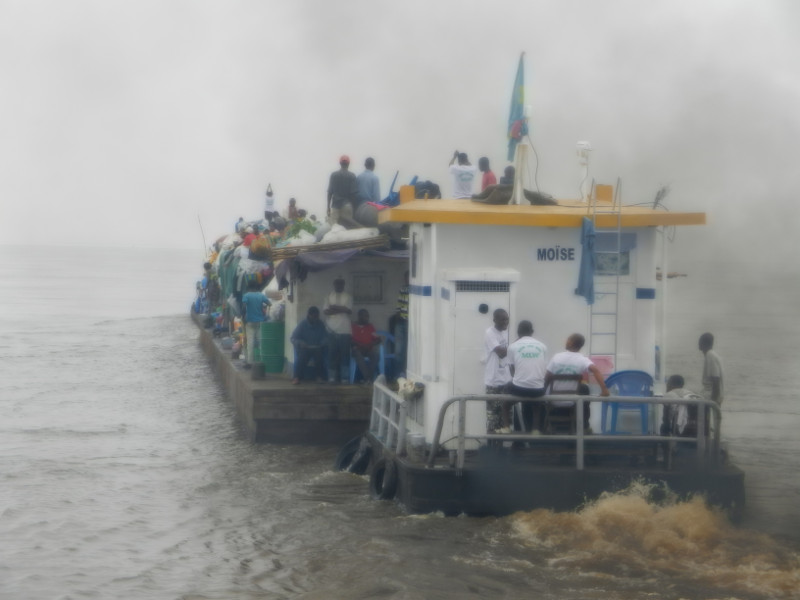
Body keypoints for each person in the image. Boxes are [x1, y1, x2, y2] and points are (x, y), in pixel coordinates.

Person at [544, 333, 610, 433]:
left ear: (571, 343)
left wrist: (543, 393)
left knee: (583, 387)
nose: (565, 341)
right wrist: (604, 390)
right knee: (584, 388)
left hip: (553, 400)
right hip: (572, 401)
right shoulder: (582, 360)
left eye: (567, 339)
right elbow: (596, 370)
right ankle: (585, 427)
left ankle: (543, 426)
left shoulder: (556, 357)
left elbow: (547, 377)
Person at [506, 320, 548, 433]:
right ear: (532, 332)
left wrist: (520, 381)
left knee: (505, 399)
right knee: (537, 404)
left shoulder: (512, 346)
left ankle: (505, 427)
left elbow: (512, 370)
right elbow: (542, 367)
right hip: (538, 390)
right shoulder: (542, 346)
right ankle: (535, 429)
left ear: (518, 332)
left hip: (519, 388)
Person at [482, 308, 512, 433]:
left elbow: (508, 355)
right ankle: (491, 447)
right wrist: (515, 349)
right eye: (502, 319)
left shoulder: (505, 333)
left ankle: (502, 448)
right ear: (495, 320)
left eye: (507, 319)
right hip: (493, 380)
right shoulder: (490, 333)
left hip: (505, 380)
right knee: (493, 417)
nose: (506, 322)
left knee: (505, 419)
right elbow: (501, 352)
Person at [323, 276, 353, 383]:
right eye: (337, 284)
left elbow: (348, 310)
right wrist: (341, 309)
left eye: (340, 284)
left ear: (343, 285)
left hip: (345, 330)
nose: (338, 285)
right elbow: (326, 312)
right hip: (331, 330)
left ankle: (345, 378)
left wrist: (334, 307)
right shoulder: (329, 296)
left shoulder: (348, 296)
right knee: (332, 354)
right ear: (334, 285)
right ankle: (332, 377)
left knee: (345, 355)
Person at [290, 306, 328, 384]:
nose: (316, 319)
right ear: (309, 315)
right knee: (301, 358)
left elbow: (325, 337)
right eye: (314, 317)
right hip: (305, 348)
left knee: (319, 357)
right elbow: (293, 338)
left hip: (317, 348)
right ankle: (296, 377)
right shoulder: (302, 325)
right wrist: (300, 343)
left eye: (317, 317)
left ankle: (319, 377)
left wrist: (322, 343)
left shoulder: (320, 324)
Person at [241, 281, 270, 368]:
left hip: (250, 322)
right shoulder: (261, 295)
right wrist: (264, 312)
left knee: (250, 342)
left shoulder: (246, 295)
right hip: (260, 321)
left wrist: (243, 316)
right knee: (261, 341)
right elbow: (269, 303)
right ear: (256, 287)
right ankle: (262, 361)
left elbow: (244, 306)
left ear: (249, 288)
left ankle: (250, 362)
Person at [351, 309, 382, 382]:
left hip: (368, 349)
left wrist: (370, 344)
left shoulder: (370, 327)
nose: (367, 318)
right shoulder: (352, 326)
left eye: (368, 316)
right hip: (357, 349)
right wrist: (360, 345)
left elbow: (378, 339)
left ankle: (367, 378)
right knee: (358, 355)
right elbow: (349, 340)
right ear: (359, 316)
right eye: (365, 316)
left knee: (376, 356)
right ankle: (368, 378)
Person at [327, 155, 359, 225]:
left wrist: (328, 207)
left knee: (333, 229)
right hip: (347, 205)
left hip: (335, 206)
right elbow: (353, 194)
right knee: (347, 228)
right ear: (348, 164)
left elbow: (330, 192)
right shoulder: (352, 176)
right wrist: (355, 208)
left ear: (340, 163)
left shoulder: (333, 175)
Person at [699, 332, 724, 405]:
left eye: (700, 342)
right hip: (710, 395)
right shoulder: (714, 355)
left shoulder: (710, 355)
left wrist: (713, 402)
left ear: (703, 343)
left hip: (709, 396)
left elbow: (716, 379)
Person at [392, 271, 409, 376]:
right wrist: (398, 314)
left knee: (408, 349)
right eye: (406, 277)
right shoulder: (403, 289)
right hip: (401, 321)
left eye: (408, 277)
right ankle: (397, 374)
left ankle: (406, 373)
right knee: (398, 350)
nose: (407, 280)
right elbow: (399, 304)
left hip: (410, 323)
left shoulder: (416, 289)